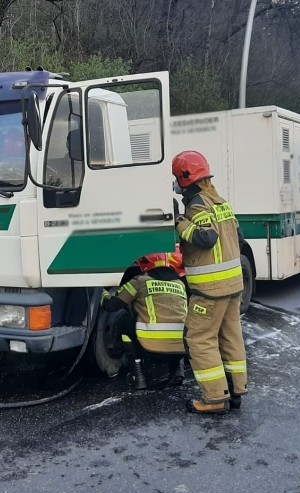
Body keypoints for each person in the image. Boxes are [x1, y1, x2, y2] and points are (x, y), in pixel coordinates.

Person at [172, 150, 247, 415]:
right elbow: (238, 238)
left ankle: (214, 399)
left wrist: (179, 223)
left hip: (210, 289)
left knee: (200, 339)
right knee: (231, 338)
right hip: (233, 286)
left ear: (184, 179)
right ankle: (236, 393)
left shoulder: (197, 205)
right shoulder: (221, 202)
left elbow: (206, 238)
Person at [100, 251, 187, 390]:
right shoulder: (179, 284)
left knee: (123, 321)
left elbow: (111, 305)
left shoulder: (140, 281)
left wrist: (101, 291)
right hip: (183, 351)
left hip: (150, 350)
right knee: (175, 321)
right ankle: (178, 372)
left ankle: (139, 378)